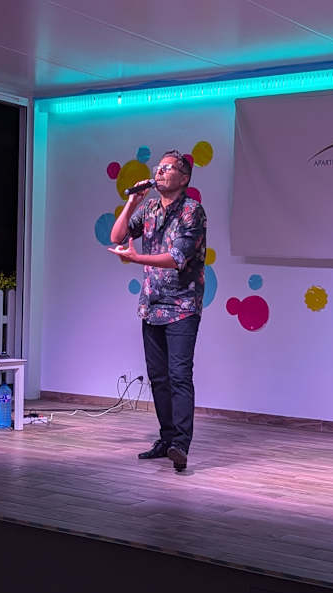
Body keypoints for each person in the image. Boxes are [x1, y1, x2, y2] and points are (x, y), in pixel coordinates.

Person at [109, 150, 206, 471]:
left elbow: (177, 258)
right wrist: (132, 202)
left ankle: (181, 443)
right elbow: (117, 236)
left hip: (182, 306)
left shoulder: (192, 211)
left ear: (184, 177)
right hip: (151, 305)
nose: (160, 172)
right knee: (158, 378)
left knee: (179, 376)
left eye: (168, 168)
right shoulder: (149, 208)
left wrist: (137, 259)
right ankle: (166, 439)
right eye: (158, 167)